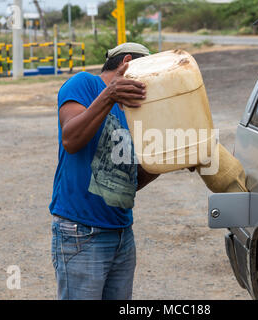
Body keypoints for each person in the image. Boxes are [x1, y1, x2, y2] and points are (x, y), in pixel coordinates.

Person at [49, 43, 159, 300]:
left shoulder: (133, 110)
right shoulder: (84, 84)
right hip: (80, 232)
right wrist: (109, 95)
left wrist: (167, 161)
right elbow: (71, 139)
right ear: (128, 62)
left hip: (122, 233)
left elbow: (128, 181)